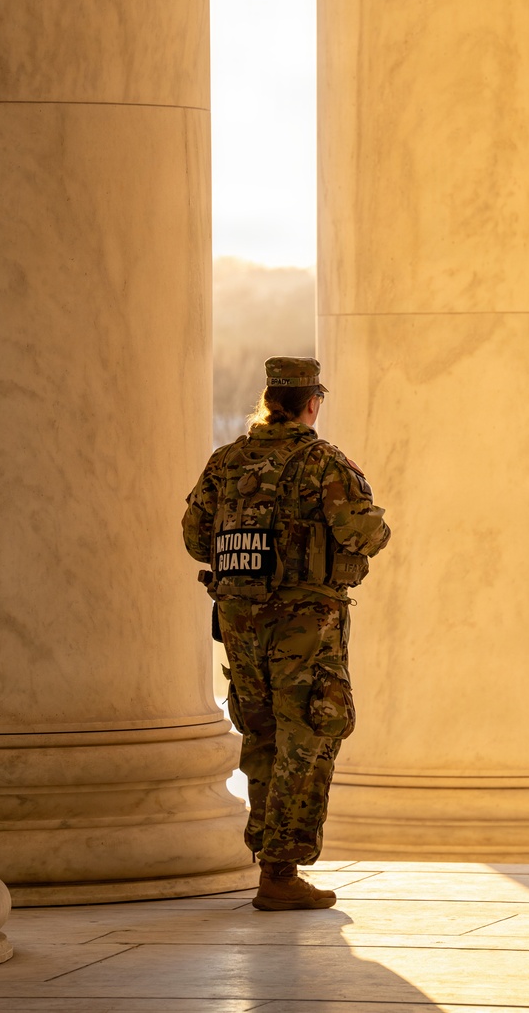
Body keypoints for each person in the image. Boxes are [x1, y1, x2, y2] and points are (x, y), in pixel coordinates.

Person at [183, 356, 390, 911]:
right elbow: (366, 534)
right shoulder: (324, 461)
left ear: (269, 399)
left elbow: (195, 538)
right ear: (312, 403)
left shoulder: (226, 462)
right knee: (309, 732)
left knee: (262, 734)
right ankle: (281, 869)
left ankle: (269, 865)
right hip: (305, 621)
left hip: (238, 618)